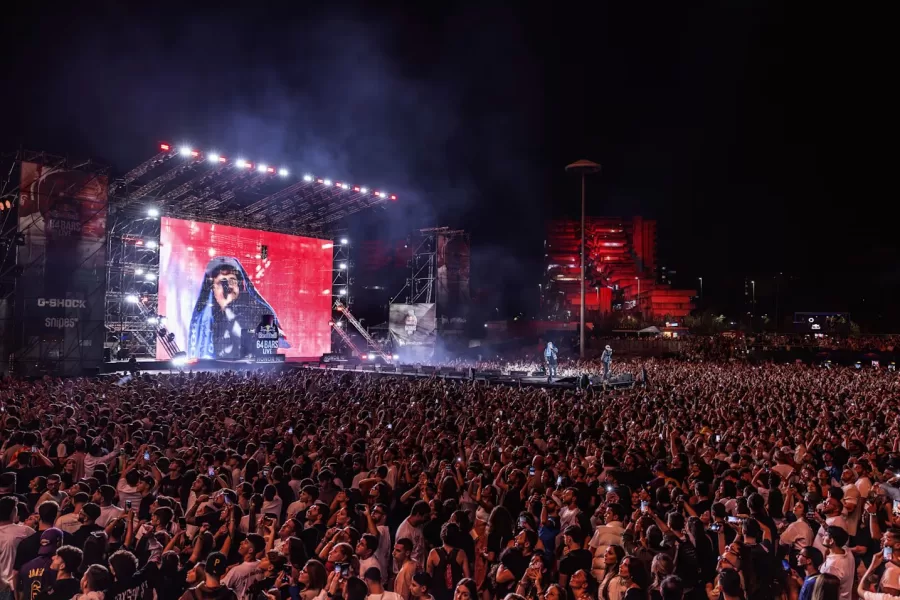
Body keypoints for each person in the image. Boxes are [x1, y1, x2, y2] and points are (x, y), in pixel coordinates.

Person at [187, 257, 286, 359]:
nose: (227, 287)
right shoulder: (203, 319)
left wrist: (228, 309)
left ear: (240, 285)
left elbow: (270, 350)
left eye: (232, 281)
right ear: (212, 288)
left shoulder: (262, 313)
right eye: (221, 282)